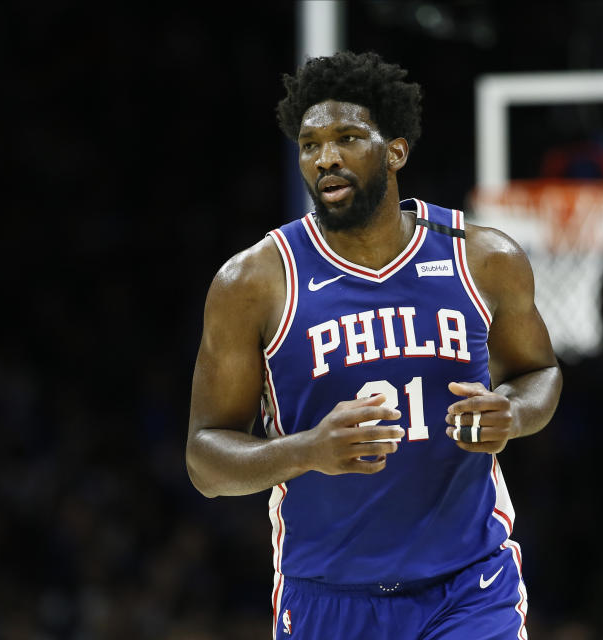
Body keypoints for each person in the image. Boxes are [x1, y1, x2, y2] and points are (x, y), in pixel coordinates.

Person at [186, 51, 561, 640]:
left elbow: (541, 372)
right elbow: (205, 461)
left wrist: (513, 412)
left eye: (348, 137)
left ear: (395, 150)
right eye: (310, 145)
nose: (326, 157)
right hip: (327, 598)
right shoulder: (254, 283)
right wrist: (307, 449)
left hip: (468, 587)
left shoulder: (482, 258)